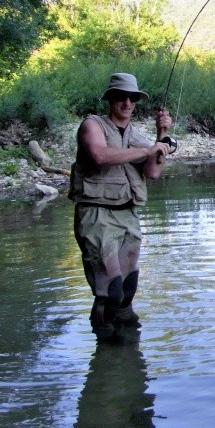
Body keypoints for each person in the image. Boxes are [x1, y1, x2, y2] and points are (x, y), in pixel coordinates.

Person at [69, 73, 172, 337]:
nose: (127, 103)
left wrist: (161, 137)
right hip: (96, 214)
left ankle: (126, 335)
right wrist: (150, 149)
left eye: (132, 98)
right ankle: (104, 344)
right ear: (110, 99)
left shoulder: (136, 136)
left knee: (128, 286)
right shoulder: (92, 125)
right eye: (121, 97)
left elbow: (152, 172)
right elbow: (99, 155)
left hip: (128, 214)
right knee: (110, 288)